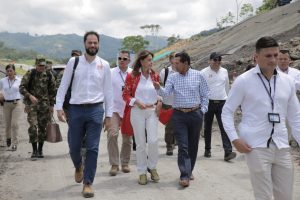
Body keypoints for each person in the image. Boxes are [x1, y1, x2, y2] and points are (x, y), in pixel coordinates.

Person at [222, 36, 300, 200]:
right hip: (255, 146)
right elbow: (227, 111)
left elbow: (295, 116)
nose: (273, 60)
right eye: (268, 56)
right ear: (256, 57)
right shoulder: (243, 81)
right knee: (263, 196)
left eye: (275, 55)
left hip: (282, 146)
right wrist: (235, 139)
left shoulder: (288, 81)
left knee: (285, 196)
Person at [55, 31, 113, 198]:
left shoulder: (105, 65)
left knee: (93, 148)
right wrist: (59, 107)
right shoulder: (74, 62)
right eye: (90, 43)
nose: (93, 45)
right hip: (76, 110)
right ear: (84, 44)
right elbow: (63, 86)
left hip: (96, 110)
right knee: (74, 147)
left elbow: (108, 91)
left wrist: (108, 116)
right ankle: (78, 166)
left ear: (99, 44)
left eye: (95, 43)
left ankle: (88, 183)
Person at [154, 51, 209, 188]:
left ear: (186, 63)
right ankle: (184, 175)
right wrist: (158, 88)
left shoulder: (199, 75)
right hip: (179, 115)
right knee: (183, 146)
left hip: (195, 114)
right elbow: (166, 93)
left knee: (193, 145)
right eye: (174, 63)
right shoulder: (173, 77)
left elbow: (205, 94)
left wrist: (202, 110)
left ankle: (189, 170)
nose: (175, 65)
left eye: (177, 63)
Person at [122, 50, 162, 185]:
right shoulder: (131, 76)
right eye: (149, 60)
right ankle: (142, 172)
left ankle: (152, 166)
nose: (151, 62)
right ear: (141, 61)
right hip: (137, 112)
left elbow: (160, 93)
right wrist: (136, 102)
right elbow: (125, 95)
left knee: (153, 140)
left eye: (152, 60)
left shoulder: (155, 76)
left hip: (152, 111)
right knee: (140, 144)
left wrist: (160, 101)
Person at [200, 52, 236, 161]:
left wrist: (229, 101)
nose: (217, 62)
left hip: (222, 103)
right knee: (207, 127)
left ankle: (228, 152)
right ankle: (207, 149)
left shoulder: (224, 71)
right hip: (208, 103)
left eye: (219, 60)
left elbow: (226, 87)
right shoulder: (203, 72)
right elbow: (200, 88)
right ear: (210, 60)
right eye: (215, 60)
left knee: (224, 126)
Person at [19, 58, 56, 158]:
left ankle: (40, 150)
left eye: (43, 66)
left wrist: (52, 105)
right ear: (36, 65)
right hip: (32, 105)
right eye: (40, 66)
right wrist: (30, 96)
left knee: (42, 128)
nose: (41, 67)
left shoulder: (48, 75)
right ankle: (34, 150)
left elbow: (53, 91)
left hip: (44, 106)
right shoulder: (30, 73)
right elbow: (22, 87)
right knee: (33, 127)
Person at [107, 50, 132, 176]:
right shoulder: (110, 73)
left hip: (128, 110)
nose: (122, 60)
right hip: (113, 109)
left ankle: (125, 162)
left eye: (124, 58)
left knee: (127, 138)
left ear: (129, 60)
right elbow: (104, 92)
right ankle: (114, 164)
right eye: (120, 58)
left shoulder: (133, 73)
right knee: (112, 135)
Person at [277, 49, 300, 147]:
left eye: (285, 59)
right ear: (277, 60)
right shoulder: (272, 72)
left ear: (289, 60)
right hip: (277, 102)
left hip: (292, 101)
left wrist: (291, 82)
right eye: (280, 59)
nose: (283, 61)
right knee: (279, 123)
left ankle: (292, 140)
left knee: (294, 122)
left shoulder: (296, 72)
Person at [0, 64, 22, 150]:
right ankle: (8, 138)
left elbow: (23, 90)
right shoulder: (2, 80)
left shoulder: (19, 80)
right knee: (7, 124)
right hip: (6, 104)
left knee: (14, 124)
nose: (9, 72)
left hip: (17, 103)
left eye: (11, 71)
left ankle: (14, 143)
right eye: (8, 71)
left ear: (14, 71)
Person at [159, 52, 176, 155]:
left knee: (179, 126)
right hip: (168, 102)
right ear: (170, 60)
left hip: (181, 103)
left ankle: (175, 142)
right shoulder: (164, 72)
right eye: (174, 58)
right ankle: (169, 146)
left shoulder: (184, 71)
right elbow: (159, 87)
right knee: (169, 127)